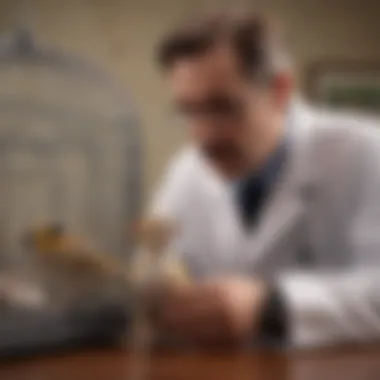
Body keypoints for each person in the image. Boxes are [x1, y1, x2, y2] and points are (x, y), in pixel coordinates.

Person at [149, 9, 380, 349]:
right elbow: (160, 267)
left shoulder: (366, 152)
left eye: (223, 107)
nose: (203, 137)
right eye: (188, 110)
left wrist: (274, 308)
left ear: (280, 91)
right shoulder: (186, 170)